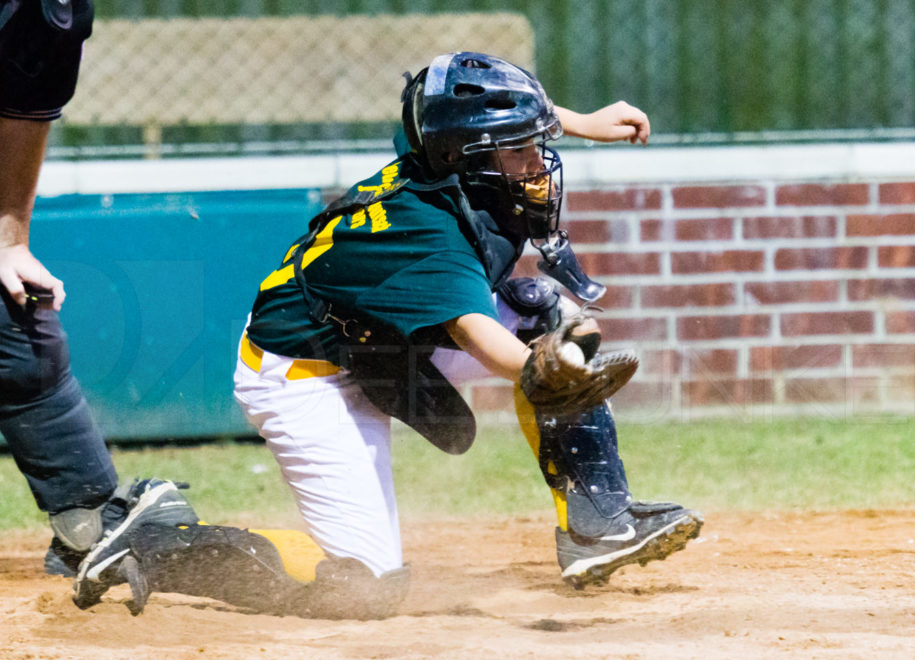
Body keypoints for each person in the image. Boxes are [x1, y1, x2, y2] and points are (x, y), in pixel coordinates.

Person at [73, 52, 701, 619]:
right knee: (365, 587)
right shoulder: (431, 231)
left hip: (376, 338)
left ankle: (599, 527)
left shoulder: (441, 154)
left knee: (541, 311)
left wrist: (583, 120)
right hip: (304, 374)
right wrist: (543, 369)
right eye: (520, 149)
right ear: (469, 157)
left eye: (535, 142)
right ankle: (163, 540)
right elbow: (484, 338)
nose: (538, 163)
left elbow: (461, 112)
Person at [1, 0, 196, 578]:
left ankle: (90, 530)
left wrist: (10, 240)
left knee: (18, 331)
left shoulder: (47, 14)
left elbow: (23, 107)